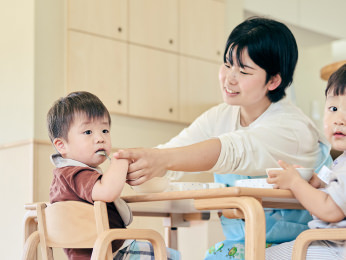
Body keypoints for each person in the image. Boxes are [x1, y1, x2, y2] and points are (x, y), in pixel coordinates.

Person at [115, 17, 332, 259]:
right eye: (227, 65)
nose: (229, 78)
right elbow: (174, 153)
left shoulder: (294, 129)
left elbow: (232, 150)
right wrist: (139, 164)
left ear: (273, 80)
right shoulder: (221, 115)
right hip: (241, 248)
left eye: (243, 70)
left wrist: (162, 159)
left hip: (301, 249)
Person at [47, 91, 180, 260]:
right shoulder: (74, 173)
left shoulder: (63, 177)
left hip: (96, 252)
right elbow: (108, 192)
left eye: (104, 130)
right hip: (109, 252)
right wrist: (121, 161)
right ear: (62, 145)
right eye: (88, 132)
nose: (100, 138)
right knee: (167, 254)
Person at [265, 64, 346, 259]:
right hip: (331, 244)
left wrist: (295, 183)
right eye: (333, 108)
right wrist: (316, 181)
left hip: (336, 249)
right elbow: (333, 181)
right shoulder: (341, 160)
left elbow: (331, 209)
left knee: (261, 255)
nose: (339, 119)